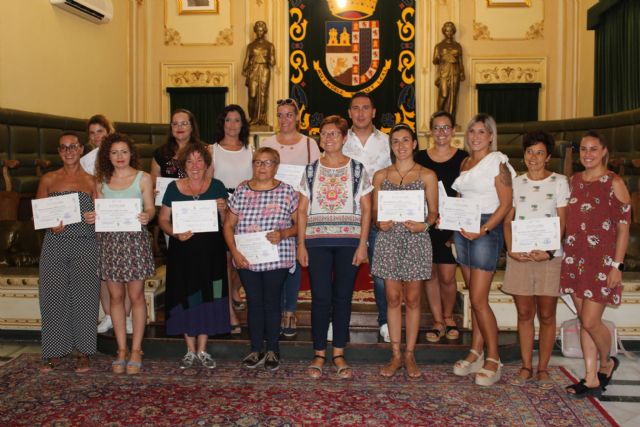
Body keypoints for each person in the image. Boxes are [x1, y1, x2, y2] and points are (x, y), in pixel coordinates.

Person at [298, 115, 372, 380]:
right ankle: (319, 353)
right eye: (324, 134)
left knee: (342, 298)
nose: (328, 138)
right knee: (320, 298)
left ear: (344, 138)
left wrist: (363, 244)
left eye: (334, 134)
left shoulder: (357, 169)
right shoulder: (310, 170)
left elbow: (366, 209)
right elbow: (302, 210)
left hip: (348, 242)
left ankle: (339, 352)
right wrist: (301, 244)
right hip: (316, 243)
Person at [562, 131, 630, 398]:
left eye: (593, 149)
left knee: (591, 321)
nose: (587, 154)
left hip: (602, 262)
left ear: (603, 151)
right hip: (575, 259)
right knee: (583, 320)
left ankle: (607, 362)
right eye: (583, 149)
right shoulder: (574, 181)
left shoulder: (614, 182)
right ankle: (590, 377)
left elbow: (623, 229)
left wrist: (618, 265)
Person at [451, 114, 515, 386]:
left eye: (481, 131)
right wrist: (452, 220)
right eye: (472, 131)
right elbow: (461, 196)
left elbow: (506, 204)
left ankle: (494, 357)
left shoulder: (497, 163)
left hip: (485, 229)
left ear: (491, 135)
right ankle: (476, 351)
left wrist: (485, 229)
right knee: (471, 298)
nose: (475, 136)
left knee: (479, 299)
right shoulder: (466, 161)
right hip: (463, 228)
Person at [502, 131, 570, 388]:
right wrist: (511, 249)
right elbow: (507, 221)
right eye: (530, 151)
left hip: (549, 258)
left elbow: (563, 222)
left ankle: (543, 367)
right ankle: (526, 366)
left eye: (540, 152)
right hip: (520, 256)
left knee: (547, 314)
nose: (534, 157)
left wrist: (550, 251)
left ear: (548, 156)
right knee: (524, 313)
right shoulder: (516, 183)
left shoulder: (560, 182)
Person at [86, 133, 156, 375]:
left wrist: (148, 214)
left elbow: (150, 207)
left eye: (124, 151)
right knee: (115, 297)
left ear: (131, 153)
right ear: (108, 155)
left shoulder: (143, 178)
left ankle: (136, 349)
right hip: (110, 242)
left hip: (134, 241)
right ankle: (121, 349)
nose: (119, 157)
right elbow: (98, 211)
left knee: (136, 296)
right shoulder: (100, 181)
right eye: (114, 152)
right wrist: (93, 217)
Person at [372, 124, 438, 379]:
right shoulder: (380, 176)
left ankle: (410, 354)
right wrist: (379, 223)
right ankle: (395, 353)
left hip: (416, 239)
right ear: (391, 146)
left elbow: (433, 212)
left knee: (412, 299)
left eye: (405, 140)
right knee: (391, 298)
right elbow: (376, 213)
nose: (400, 146)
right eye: (396, 141)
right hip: (388, 240)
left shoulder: (427, 175)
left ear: (414, 144)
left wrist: (425, 224)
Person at [223, 147, 299, 371]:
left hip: (277, 258)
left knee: (272, 302)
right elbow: (228, 225)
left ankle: (273, 350)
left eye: (267, 163)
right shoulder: (241, 190)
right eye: (257, 162)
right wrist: (235, 252)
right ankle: (256, 348)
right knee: (254, 303)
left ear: (276, 166)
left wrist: (284, 234)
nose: (262, 167)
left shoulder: (287, 191)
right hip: (247, 258)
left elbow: (300, 225)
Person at [158, 143, 230, 369]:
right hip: (183, 253)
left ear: (207, 164)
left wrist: (223, 209)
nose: (195, 165)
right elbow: (162, 220)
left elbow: (228, 221)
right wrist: (175, 234)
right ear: (183, 165)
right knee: (184, 295)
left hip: (212, 253)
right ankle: (189, 350)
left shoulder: (217, 186)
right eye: (190, 161)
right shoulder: (173, 188)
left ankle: (202, 349)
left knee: (208, 296)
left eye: (200, 160)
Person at [37, 132, 100, 373]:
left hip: (85, 244)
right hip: (55, 243)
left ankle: (83, 352)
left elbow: (101, 215)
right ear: (58, 152)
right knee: (52, 298)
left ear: (81, 149)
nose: (68, 151)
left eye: (72, 146)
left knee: (85, 298)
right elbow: (38, 215)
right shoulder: (48, 180)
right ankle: (53, 352)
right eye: (63, 148)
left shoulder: (93, 181)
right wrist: (49, 223)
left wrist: (96, 217)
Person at [261, 98, 320, 337]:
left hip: (299, 208)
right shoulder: (267, 142)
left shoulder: (309, 144)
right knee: (275, 261)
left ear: (297, 117)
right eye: (280, 115)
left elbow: (317, 175)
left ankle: (290, 309)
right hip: (272, 210)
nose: (284, 119)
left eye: (288, 115)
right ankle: (274, 309)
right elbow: (259, 173)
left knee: (294, 260)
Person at [342, 92, 392, 342]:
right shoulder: (338, 142)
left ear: (374, 112)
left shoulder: (389, 142)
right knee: (343, 273)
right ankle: (338, 321)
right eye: (355, 108)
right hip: (347, 217)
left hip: (379, 216)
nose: (360, 112)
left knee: (381, 273)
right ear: (349, 113)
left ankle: (385, 321)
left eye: (365, 108)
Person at [415, 111, 468, 342]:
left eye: (446, 127)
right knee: (430, 274)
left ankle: (449, 317)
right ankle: (437, 321)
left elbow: (466, 193)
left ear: (453, 130)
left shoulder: (463, 158)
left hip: (451, 224)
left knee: (447, 275)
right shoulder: (420, 158)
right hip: (426, 222)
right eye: (437, 128)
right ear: (430, 131)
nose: (442, 132)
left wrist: (459, 227)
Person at [81, 114, 134, 336]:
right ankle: (110, 315)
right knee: (103, 272)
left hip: (125, 220)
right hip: (102, 220)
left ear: (108, 131)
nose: (96, 137)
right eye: (92, 133)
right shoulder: (85, 161)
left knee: (128, 271)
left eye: (100, 131)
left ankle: (128, 316)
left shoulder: (120, 153)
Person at [209, 104, 254, 335]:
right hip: (221, 208)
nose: (233, 125)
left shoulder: (250, 149)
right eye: (228, 120)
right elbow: (208, 183)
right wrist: (220, 205)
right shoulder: (212, 150)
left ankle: (236, 288)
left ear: (242, 124)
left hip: (245, 208)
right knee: (226, 260)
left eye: (237, 120)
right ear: (222, 123)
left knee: (243, 257)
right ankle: (229, 312)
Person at [151, 109, 202, 182]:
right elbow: (154, 181)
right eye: (175, 124)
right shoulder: (160, 152)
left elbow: (208, 179)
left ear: (192, 128)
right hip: (168, 193)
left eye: (184, 123)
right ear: (171, 129)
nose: (179, 127)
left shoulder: (204, 150)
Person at [242, 21, 276, 126]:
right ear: (255, 31)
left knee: (263, 95)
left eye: (261, 30)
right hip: (253, 70)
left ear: (264, 31)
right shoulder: (251, 46)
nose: (259, 32)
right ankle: (252, 118)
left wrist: (269, 59)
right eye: (258, 30)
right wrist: (245, 70)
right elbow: (246, 60)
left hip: (265, 69)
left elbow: (273, 61)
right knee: (252, 95)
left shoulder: (269, 45)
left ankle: (261, 119)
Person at [433, 21, 465, 121]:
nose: (449, 33)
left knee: (453, 97)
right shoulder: (439, 46)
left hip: (455, 71)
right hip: (444, 72)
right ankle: (438, 118)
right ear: (444, 32)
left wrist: (462, 72)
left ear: (453, 32)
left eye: (451, 31)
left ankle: (451, 121)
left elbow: (460, 61)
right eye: (447, 31)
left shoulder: (458, 46)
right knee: (444, 94)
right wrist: (443, 57)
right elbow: (435, 60)